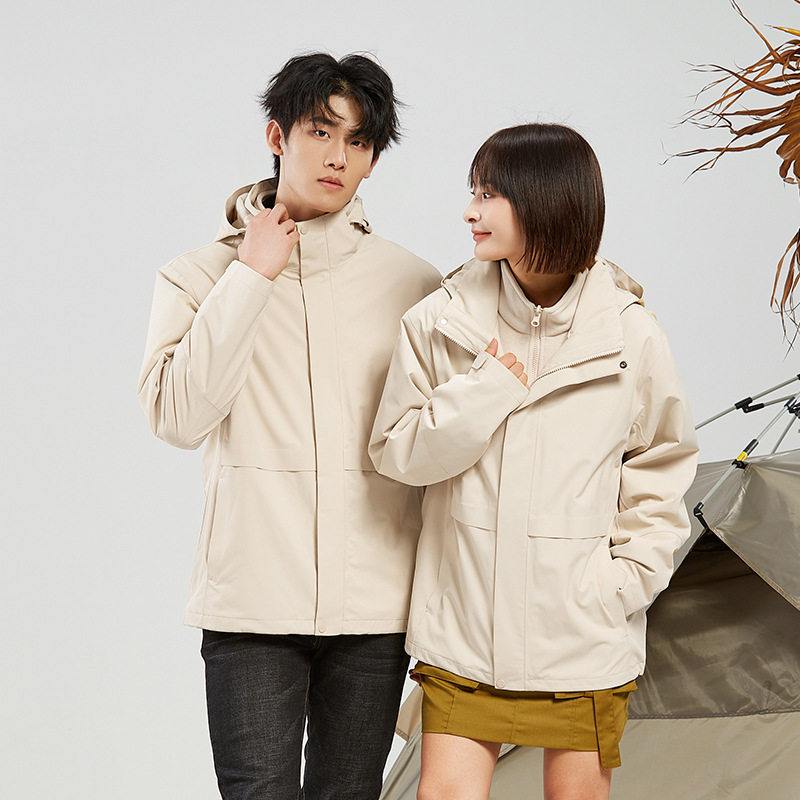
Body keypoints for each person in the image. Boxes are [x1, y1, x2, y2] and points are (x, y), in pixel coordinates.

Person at [137, 52, 441, 800]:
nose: (338, 156)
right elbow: (178, 416)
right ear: (278, 136)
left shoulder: (414, 285)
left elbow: (438, 445)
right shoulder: (198, 275)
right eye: (320, 131)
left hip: (375, 611)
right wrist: (252, 275)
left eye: (359, 141)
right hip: (250, 607)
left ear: (373, 159)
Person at [369, 123, 699, 800]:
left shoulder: (628, 331)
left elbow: (661, 465)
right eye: (473, 192)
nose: (469, 212)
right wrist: (487, 391)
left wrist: (623, 582)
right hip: (465, 627)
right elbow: (398, 452)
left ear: (547, 200)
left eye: (488, 194)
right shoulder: (441, 321)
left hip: (583, 629)